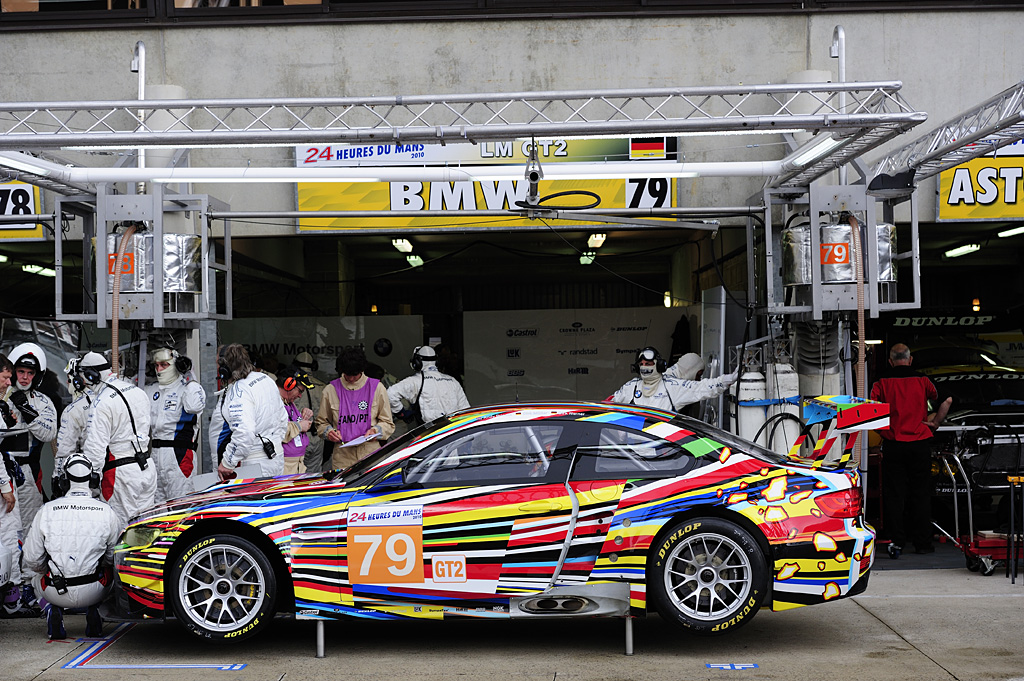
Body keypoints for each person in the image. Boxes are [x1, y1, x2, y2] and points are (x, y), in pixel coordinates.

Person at [22, 453, 121, 640]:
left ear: (63, 482)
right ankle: (96, 611)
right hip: (95, 590)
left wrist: (48, 571)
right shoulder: (107, 512)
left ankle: (51, 608)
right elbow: (113, 556)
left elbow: (32, 558)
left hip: (55, 590)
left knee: (35, 577)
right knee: (112, 572)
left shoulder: (47, 510)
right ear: (93, 480)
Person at [870, 343, 952, 559]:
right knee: (921, 494)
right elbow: (947, 400)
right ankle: (923, 543)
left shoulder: (881, 382)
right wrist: (935, 422)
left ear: (890, 361)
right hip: (919, 444)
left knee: (894, 495)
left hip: (894, 444)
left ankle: (896, 542)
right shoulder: (923, 380)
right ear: (910, 359)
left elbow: (870, 410)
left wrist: (884, 431)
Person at [79, 351, 155, 530]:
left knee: (120, 530)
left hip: (121, 473)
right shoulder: (137, 391)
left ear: (92, 375)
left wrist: (89, 483)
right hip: (147, 467)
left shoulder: (102, 402)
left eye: (84, 377)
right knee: (146, 528)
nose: (83, 383)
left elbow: (95, 449)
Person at [1, 343, 58, 543]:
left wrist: (27, 410)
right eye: (21, 371)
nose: (25, 377)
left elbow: (49, 433)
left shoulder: (43, 402)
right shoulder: (1, 395)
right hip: (2, 470)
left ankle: (26, 574)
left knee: (29, 529)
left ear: (38, 375)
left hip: (28, 473)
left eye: (30, 373)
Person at [214, 344, 288, 481]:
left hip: (255, 463)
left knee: (251, 503)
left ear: (225, 369)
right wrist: (273, 441)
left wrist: (227, 462)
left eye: (218, 364)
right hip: (276, 457)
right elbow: (283, 418)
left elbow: (244, 432)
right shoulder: (266, 379)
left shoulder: (239, 391)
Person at [315, 347, 394, 472]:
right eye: (347, 375)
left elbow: (388, 423)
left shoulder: (377, 388)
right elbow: (321, 423)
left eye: (355, 375)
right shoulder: (330, 390)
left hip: (371, 453)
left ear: (362, 370)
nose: (351, 379)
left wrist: (376, 431)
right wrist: (329, 432)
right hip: (342, 456)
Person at [145, 348, 207, 503]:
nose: (159, 369)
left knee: (180, 504)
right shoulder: (151, 390)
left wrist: (189, 376)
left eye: (164, 365)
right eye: (156, 365)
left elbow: (195, 406)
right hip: (155, 454)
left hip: (179, 455)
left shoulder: (189, 388)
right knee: (157, 506)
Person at [0, 352, 33, 618]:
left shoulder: (4, 402)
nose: (9, 382)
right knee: (10, 535)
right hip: (2, 483)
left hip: (10, 472)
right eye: (6, 376)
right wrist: (5, 486)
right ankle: (11, 601)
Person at [609, 346, 738, 412]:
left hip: (661, 454)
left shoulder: (672, 387)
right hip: (631, 453)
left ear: (659, 365)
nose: (644, 368)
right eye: (641, 364)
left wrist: (728, 379)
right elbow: (607, 406)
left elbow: (702, 388)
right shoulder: (631, 387)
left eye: (648, 364)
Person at [388, 345, 470, 425]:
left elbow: (390, 394)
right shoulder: (452, 381)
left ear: (417, 363)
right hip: (451, 432)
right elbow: (466, 411)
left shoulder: (415, 381)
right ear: (436, 361)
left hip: (429, 434)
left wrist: (401, 413)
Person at [52, 357, 97, 497]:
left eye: (69, 378)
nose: (67, 382)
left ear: (78, 381)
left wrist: (56, 477)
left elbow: (64, 451)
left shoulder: (72, 410)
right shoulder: (106, 402)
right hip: (109, 472)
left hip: (81, 476)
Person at [293, 352, 327, 473]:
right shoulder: (322, 386)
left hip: (297, 436)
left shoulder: (292, 386)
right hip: (317, 436)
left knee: (296, 475)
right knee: (315, 474)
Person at [277, 369, 313, 475]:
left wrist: (304, 417)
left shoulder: (287, 401)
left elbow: (294, 423)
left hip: (296, 465)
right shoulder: (274, 402)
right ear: (288, 385)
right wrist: (300, 426)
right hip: (285, 466)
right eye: (300, 391)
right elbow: (277, 431)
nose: (300, 396)